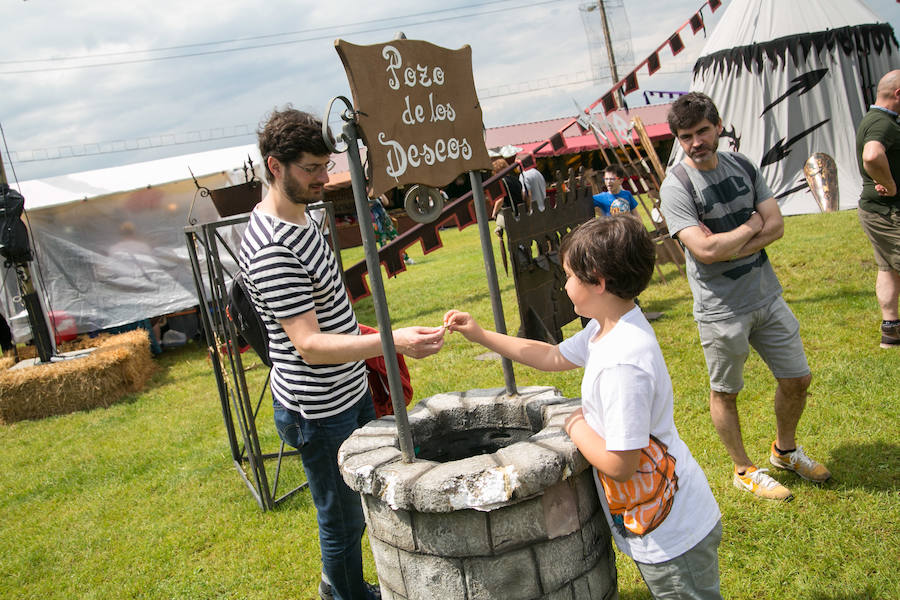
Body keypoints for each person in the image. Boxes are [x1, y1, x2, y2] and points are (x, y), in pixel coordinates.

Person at [444, 217, 723, 600]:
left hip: (675, 534)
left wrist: (576, 427)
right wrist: (480, 334)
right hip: (660, 521)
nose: (564, 284)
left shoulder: (623, 359)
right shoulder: (606, 326)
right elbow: (554, 356)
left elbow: (622, 465)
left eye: (570, 275)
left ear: (598, 281)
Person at [239, 107, 445, 600]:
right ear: (275, 166)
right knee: (341, 518)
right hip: (317, 404)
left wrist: (376, 343)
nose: (322, 178)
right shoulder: (271, 247)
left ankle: (345, 587)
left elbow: (329, 312)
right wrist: (391, 342)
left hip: (345, 389)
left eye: (324, 166)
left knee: (359, 504)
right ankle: (346, 596)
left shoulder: (301, 217)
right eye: (310, 169)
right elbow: (309, 345)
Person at [659, 92, 830, 502]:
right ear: (678, 140)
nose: (696, 142)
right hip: (720, 309)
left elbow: (776, 226)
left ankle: (784, 452)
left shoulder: (744, 165)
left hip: (766, 295)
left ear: (718, 126)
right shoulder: (676, 186)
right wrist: (751, 225)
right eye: (686, 137)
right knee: (726, 392)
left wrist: (731, 241)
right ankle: (743, 469)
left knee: (798, 378)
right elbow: (704, 251)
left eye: (702, 131)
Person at [855, 69, 900, 349]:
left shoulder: (876, 119)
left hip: (875, 210)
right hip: (888, 211)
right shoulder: (883, 123)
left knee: (888, 268)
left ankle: (891, 332)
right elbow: (871, 155)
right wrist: (890, 185)